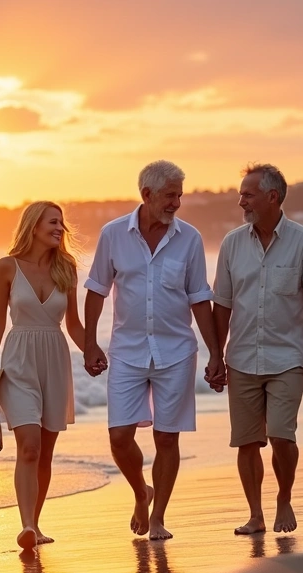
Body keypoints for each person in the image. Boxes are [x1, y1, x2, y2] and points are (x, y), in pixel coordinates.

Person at [83, 160, 222, 541]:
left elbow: (199, 298)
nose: (177, 202)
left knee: (166, 437)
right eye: (170, 195)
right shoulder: (113, 235)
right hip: (126, 350)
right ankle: (140, 492)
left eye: (179, 194)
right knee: (120, 437)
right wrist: (90, 342)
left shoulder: (189, 239)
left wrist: (216, 353)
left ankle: (158, 515)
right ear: (147, 195)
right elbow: (96, 288)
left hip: (176, 351)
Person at [211, 163, 303, 536]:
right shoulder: (232, 244)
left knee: (282, 436)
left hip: (287, 359)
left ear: (272, 197)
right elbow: (222, 304)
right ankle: (255, 514)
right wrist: (216, 355)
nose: (240, 200)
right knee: (247, 442)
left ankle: (284, 498)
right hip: (243, 357)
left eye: (247, 194)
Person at [0, 201, 92, 550]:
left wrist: (92, 351)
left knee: (45, 452)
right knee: (28, 446)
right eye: (52, 222)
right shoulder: (8, 267)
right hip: (18, 362)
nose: (60, 228)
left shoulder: (66, 268)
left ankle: (37, 525)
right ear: (33, 226)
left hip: (54, 359)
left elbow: (72, 323)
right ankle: (26, 525)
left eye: (61, 223)